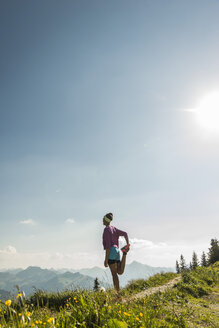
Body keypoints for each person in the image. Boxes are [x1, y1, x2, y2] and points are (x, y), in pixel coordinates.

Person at [102, 212, 130, 298]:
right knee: (120, 272)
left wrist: (106, 260)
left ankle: (118, 296)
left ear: (106, 220)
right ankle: (124, 253)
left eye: (103, 219)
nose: (102, 220)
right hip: (117, 251)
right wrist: (127, 244)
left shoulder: (106, 229)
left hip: (111, 251)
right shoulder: (114, 229)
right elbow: (125, 233)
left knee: (114, 275)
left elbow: (107, 247)